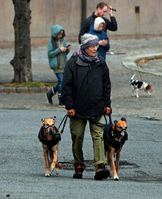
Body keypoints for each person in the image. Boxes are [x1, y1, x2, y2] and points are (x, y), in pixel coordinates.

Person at [61, 33, 112, 180]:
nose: (96, 48)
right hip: (77, 108)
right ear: (84, 47)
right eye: (93, 46)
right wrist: (69, 105)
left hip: (97, 106)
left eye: (96, 45)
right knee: (77, 136)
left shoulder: (101, 62)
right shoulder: (73, 63)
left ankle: (100, 167)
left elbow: (106, 85)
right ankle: (79, 165)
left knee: (98, 135)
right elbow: (66, 87)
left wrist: (107, 104)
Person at [46, 24, 70, 105]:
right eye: (59, 34)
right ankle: (61, 100)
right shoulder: (51, 42)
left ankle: (50, 93)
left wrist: (67, 50)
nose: (60, 35)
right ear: (55, 33)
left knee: (61, 82)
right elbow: (50, 54)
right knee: (62, 81)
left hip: (64, 64)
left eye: (62, 34)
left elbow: (65, 53)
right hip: (56, 65)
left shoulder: (63, 40)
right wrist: (59, 50)